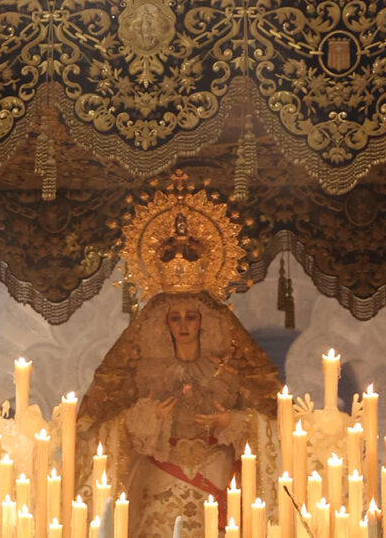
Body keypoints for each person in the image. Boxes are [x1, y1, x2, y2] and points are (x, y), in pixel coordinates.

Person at [77, 179, 282, 537]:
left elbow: (273, 414)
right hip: (158, 472)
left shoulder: (229, 361)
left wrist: (231, 421)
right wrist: (145, 418)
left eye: (191, 317)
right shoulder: (144, 363)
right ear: (164, 324)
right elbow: (102, 422)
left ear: (204, 322)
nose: (184, 325)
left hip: (217, 471)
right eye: (176, 318)